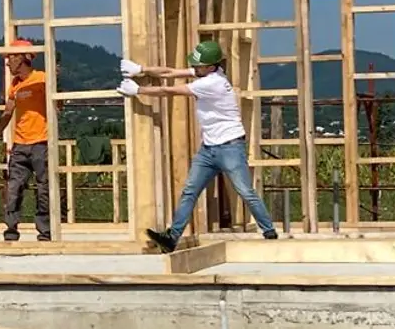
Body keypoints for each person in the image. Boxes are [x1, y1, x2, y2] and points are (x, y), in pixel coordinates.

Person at [116, 40, 277, 253]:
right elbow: (171, 72)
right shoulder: (207, 72)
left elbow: (169, 90)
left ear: (211, 67)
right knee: (190, 191)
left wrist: (139, 90)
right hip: (208, 149)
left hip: (230, 147)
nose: (196, 68)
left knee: (245, 191)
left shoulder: (212, 83)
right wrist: (141, 69)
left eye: (200, 66)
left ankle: (269, 232)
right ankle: (172, 237)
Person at [0, 39, 64, 241]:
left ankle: (45, 231)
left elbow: (58, 106)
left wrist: (55, 83)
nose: (8, 63)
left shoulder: (41, 79)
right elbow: (7, 113)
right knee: (13, 188)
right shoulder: (15, 85)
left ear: (22, 58)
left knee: (44, 188)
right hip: (20, 145)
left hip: (41, 143)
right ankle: (11, 230)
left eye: (10, 58)